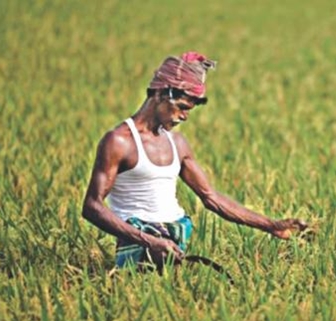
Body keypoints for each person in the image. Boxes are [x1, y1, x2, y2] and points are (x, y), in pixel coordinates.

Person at [82, 51, 307, 270]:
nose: (184, 116)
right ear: (161, 94)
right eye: (181, 107)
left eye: (189, 111)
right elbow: (92, 206)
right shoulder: (119, 142)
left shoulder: (177, 143)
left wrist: (271, 225)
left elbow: (211, 198)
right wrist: (148, 241)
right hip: (137, 242)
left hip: (175, 240)